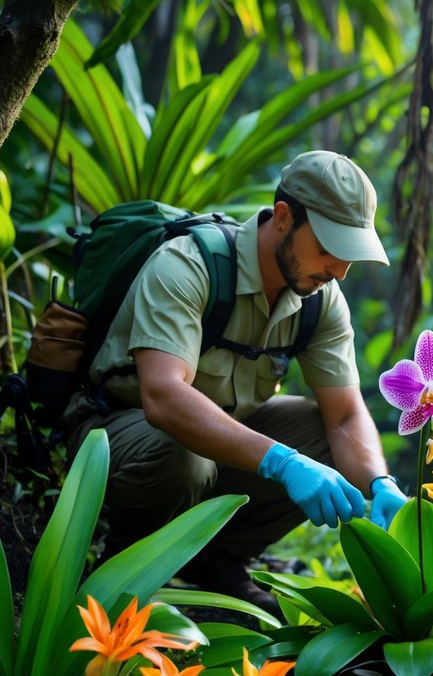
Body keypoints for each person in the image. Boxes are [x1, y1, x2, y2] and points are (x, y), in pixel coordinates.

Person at [64, 150, 407, 610]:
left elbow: (344, 415)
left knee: (318, 432)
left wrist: (380, 483)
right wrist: (283, 462)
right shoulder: (188, 265)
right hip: (117, 437)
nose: (340, 270)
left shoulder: (320, 298)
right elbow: (163, 397)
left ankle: (217, 561)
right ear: (283, 218)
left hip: (220, 435)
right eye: (329, 249)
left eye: (351, 255)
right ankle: (122, 568)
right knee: (185, 454)